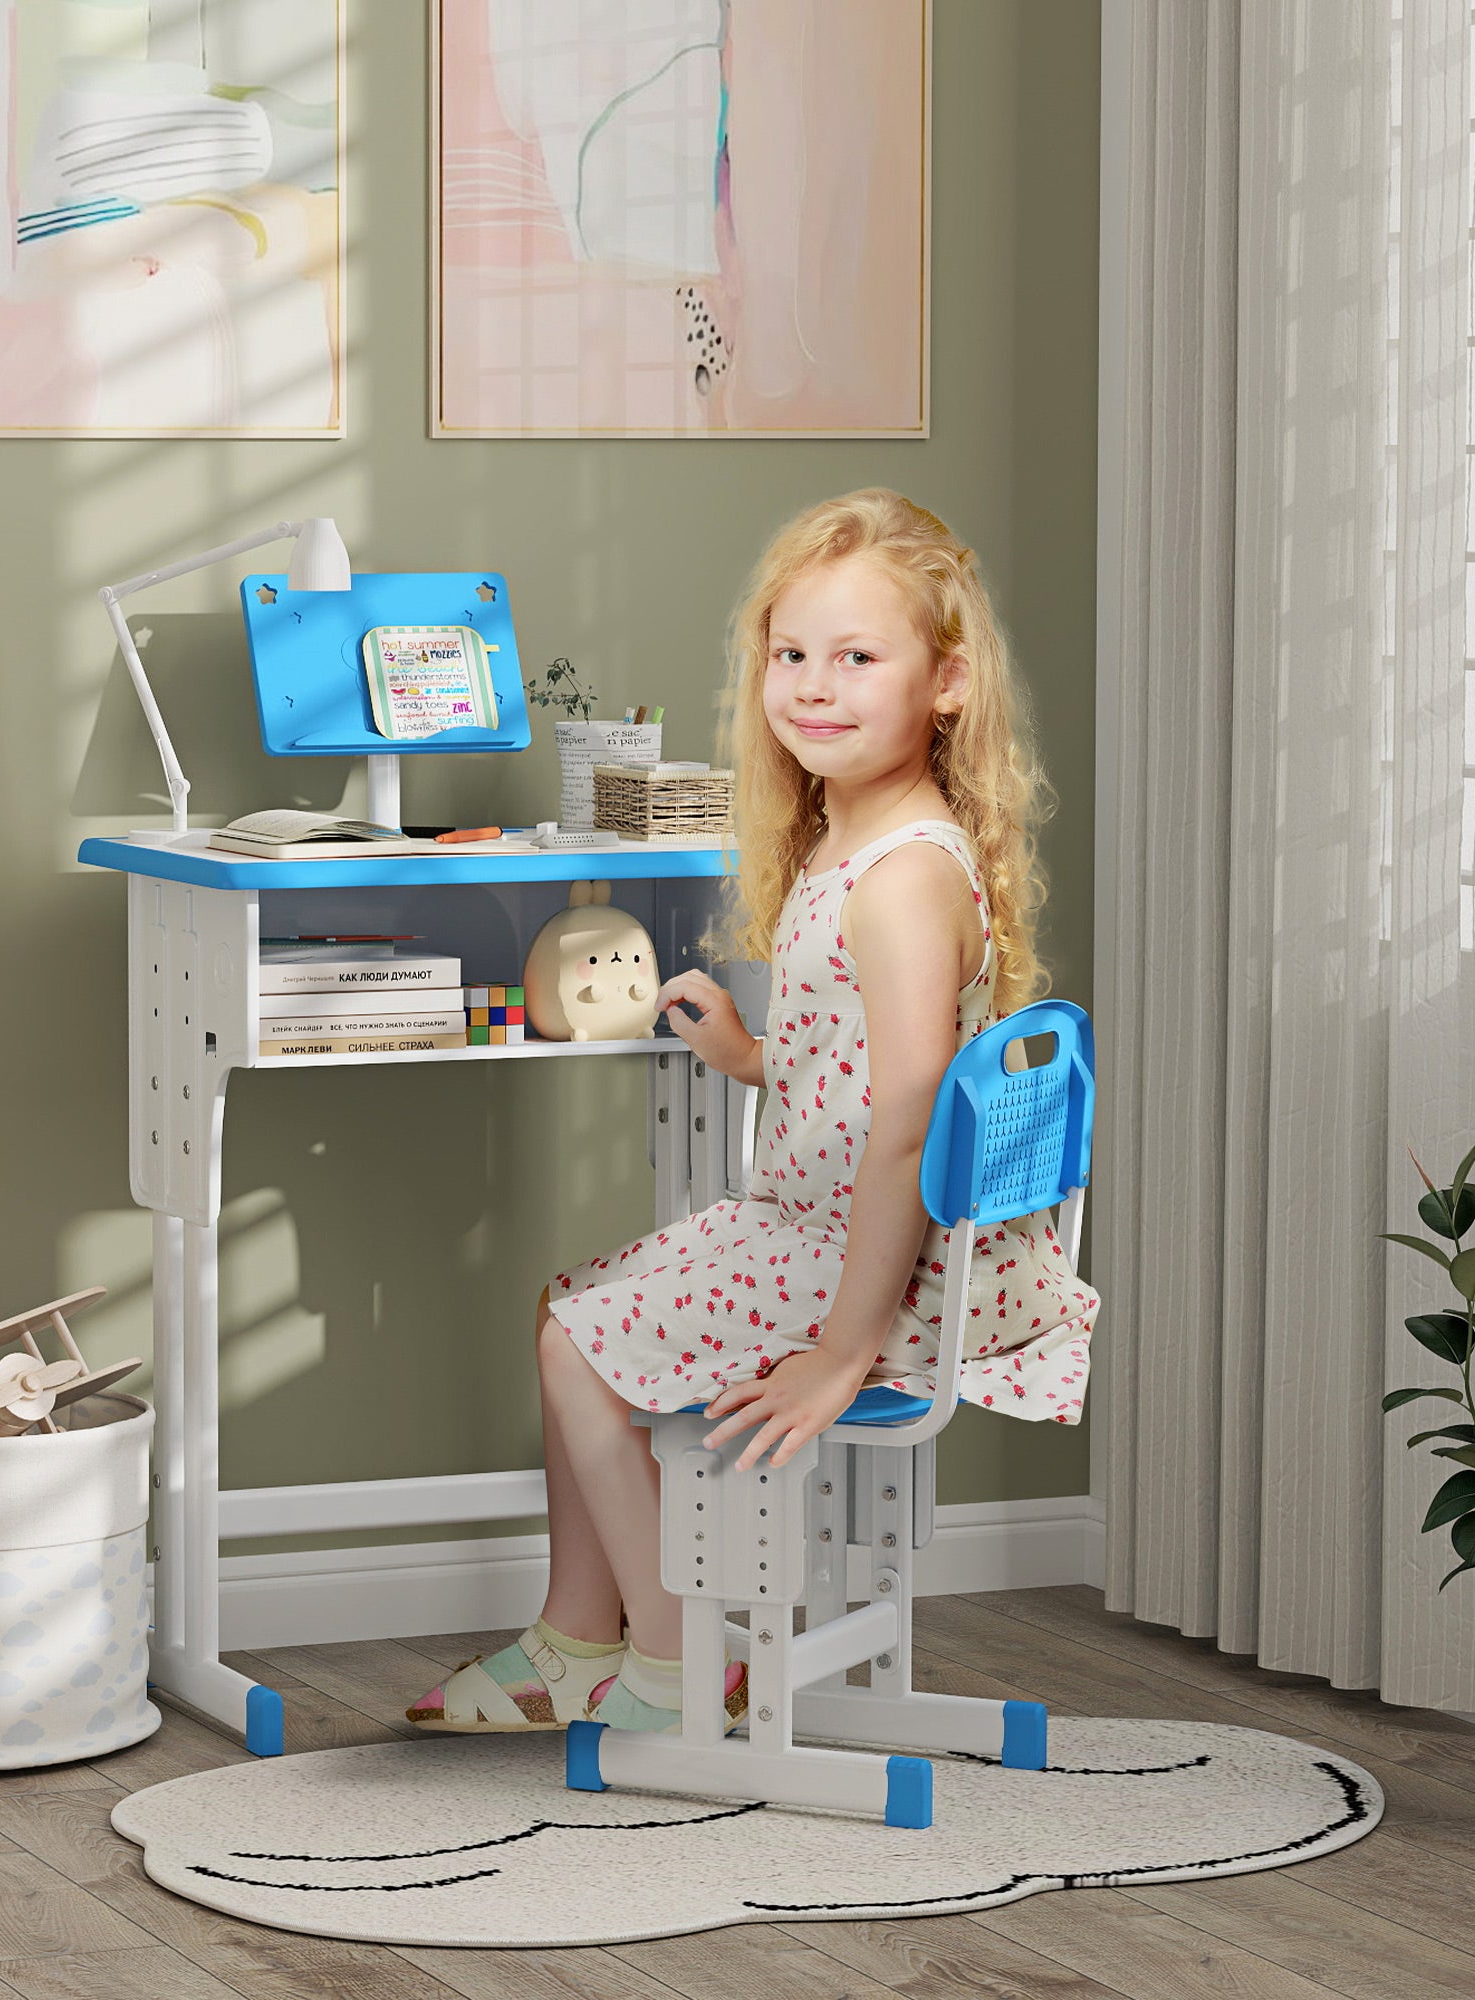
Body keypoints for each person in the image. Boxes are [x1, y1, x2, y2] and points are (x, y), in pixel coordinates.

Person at [408, 489, 1099, 1735]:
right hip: (855, 1233)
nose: (813, 686)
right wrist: (751, 1053)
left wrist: (840, 1350)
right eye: (791, 654)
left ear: (944, 682)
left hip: (877, 1273)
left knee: (579, 1343)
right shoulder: (867, 842)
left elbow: (903, 1126)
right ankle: (575, 1635)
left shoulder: (895, 883)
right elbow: (875, 1073)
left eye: (856, 657)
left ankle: (675, 1664)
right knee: (568, 1306)